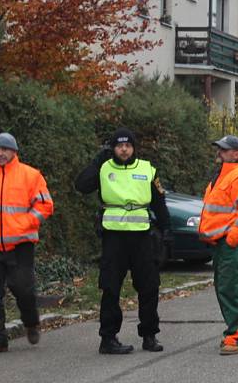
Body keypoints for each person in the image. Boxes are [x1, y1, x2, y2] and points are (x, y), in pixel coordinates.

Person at [74, 127, 171, 354]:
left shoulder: (148, 169)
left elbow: (159, 203)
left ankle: (149, 335)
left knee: (149, 287)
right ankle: (108, 338)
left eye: (128, 145)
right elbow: (81, 185)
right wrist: (97, 161)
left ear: (134, 148)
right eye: (119, 145)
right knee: (110, 288)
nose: (124, 149)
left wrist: (167, 231)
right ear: (113, 148)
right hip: (114, 238)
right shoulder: (104, 168)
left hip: (141, 237)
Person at [0, 132, 54, 354]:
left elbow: (45, 205)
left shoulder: (31, 175)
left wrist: (24, 224)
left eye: (5, 149)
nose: (1, 153)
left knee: (23, 290)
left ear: (14, 152)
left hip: (21, 245)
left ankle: (31, 322)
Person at [199, 135, 238, 355]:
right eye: (219, 149)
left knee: (229, 289)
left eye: (224, 150)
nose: (220, 153)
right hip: (222, 243)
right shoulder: (222, 177)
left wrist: (233, 239)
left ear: (236, 154)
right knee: (227, 288)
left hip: (229, 243)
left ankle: (234, 336)